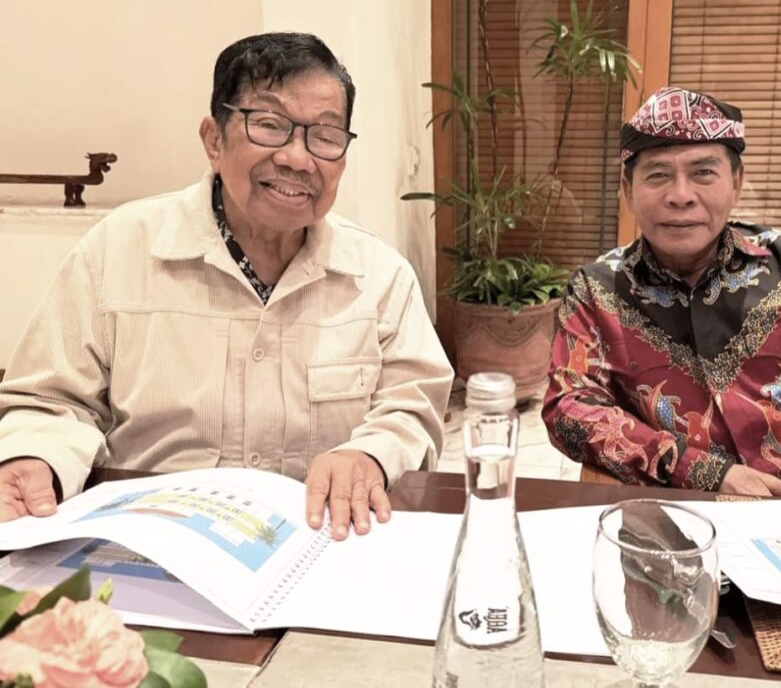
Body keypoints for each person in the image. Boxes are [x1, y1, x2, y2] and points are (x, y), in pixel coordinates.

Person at [0, 32, 454, 537]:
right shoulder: (119, 248)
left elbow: (412, 406)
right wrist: (34, 458)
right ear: (214, 140)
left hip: (318, 538)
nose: (297, 159)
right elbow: (50, 400)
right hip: (150, 538)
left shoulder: (380, 276)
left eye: (325, 136)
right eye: (269, 125)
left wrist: (370, 455)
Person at [543, 86, 781, 497]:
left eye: (703, 173)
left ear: (736, 183)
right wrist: (702, 471)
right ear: (627, 189)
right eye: (658, 175)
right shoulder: (597, 291)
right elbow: (569, 407)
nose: (681, 196)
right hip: (682, 511)